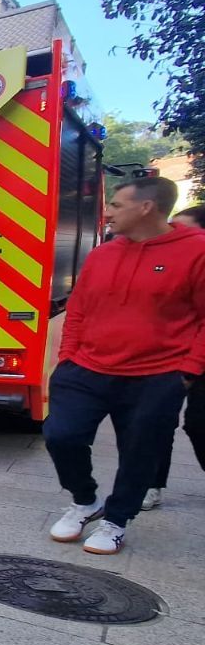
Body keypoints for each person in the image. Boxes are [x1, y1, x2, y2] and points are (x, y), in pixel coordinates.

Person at [46, 177, 205, 554]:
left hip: (156, 375)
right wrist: (67, 357)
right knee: (61, 435)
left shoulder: (197, 251)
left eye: (117, 205)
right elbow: (79, 307)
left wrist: (187, 373)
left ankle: (116, 521)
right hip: (85, 368)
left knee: (140, 451)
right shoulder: (104, 253)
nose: (108, 211)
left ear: (146, 208)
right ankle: (85, 501)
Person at [148, 204, 205, 510]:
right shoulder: (165, 263)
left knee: (198, 424)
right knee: (158, 422)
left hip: (197, 361)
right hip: (169, 357)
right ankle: (152, 483)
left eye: (181, 229)